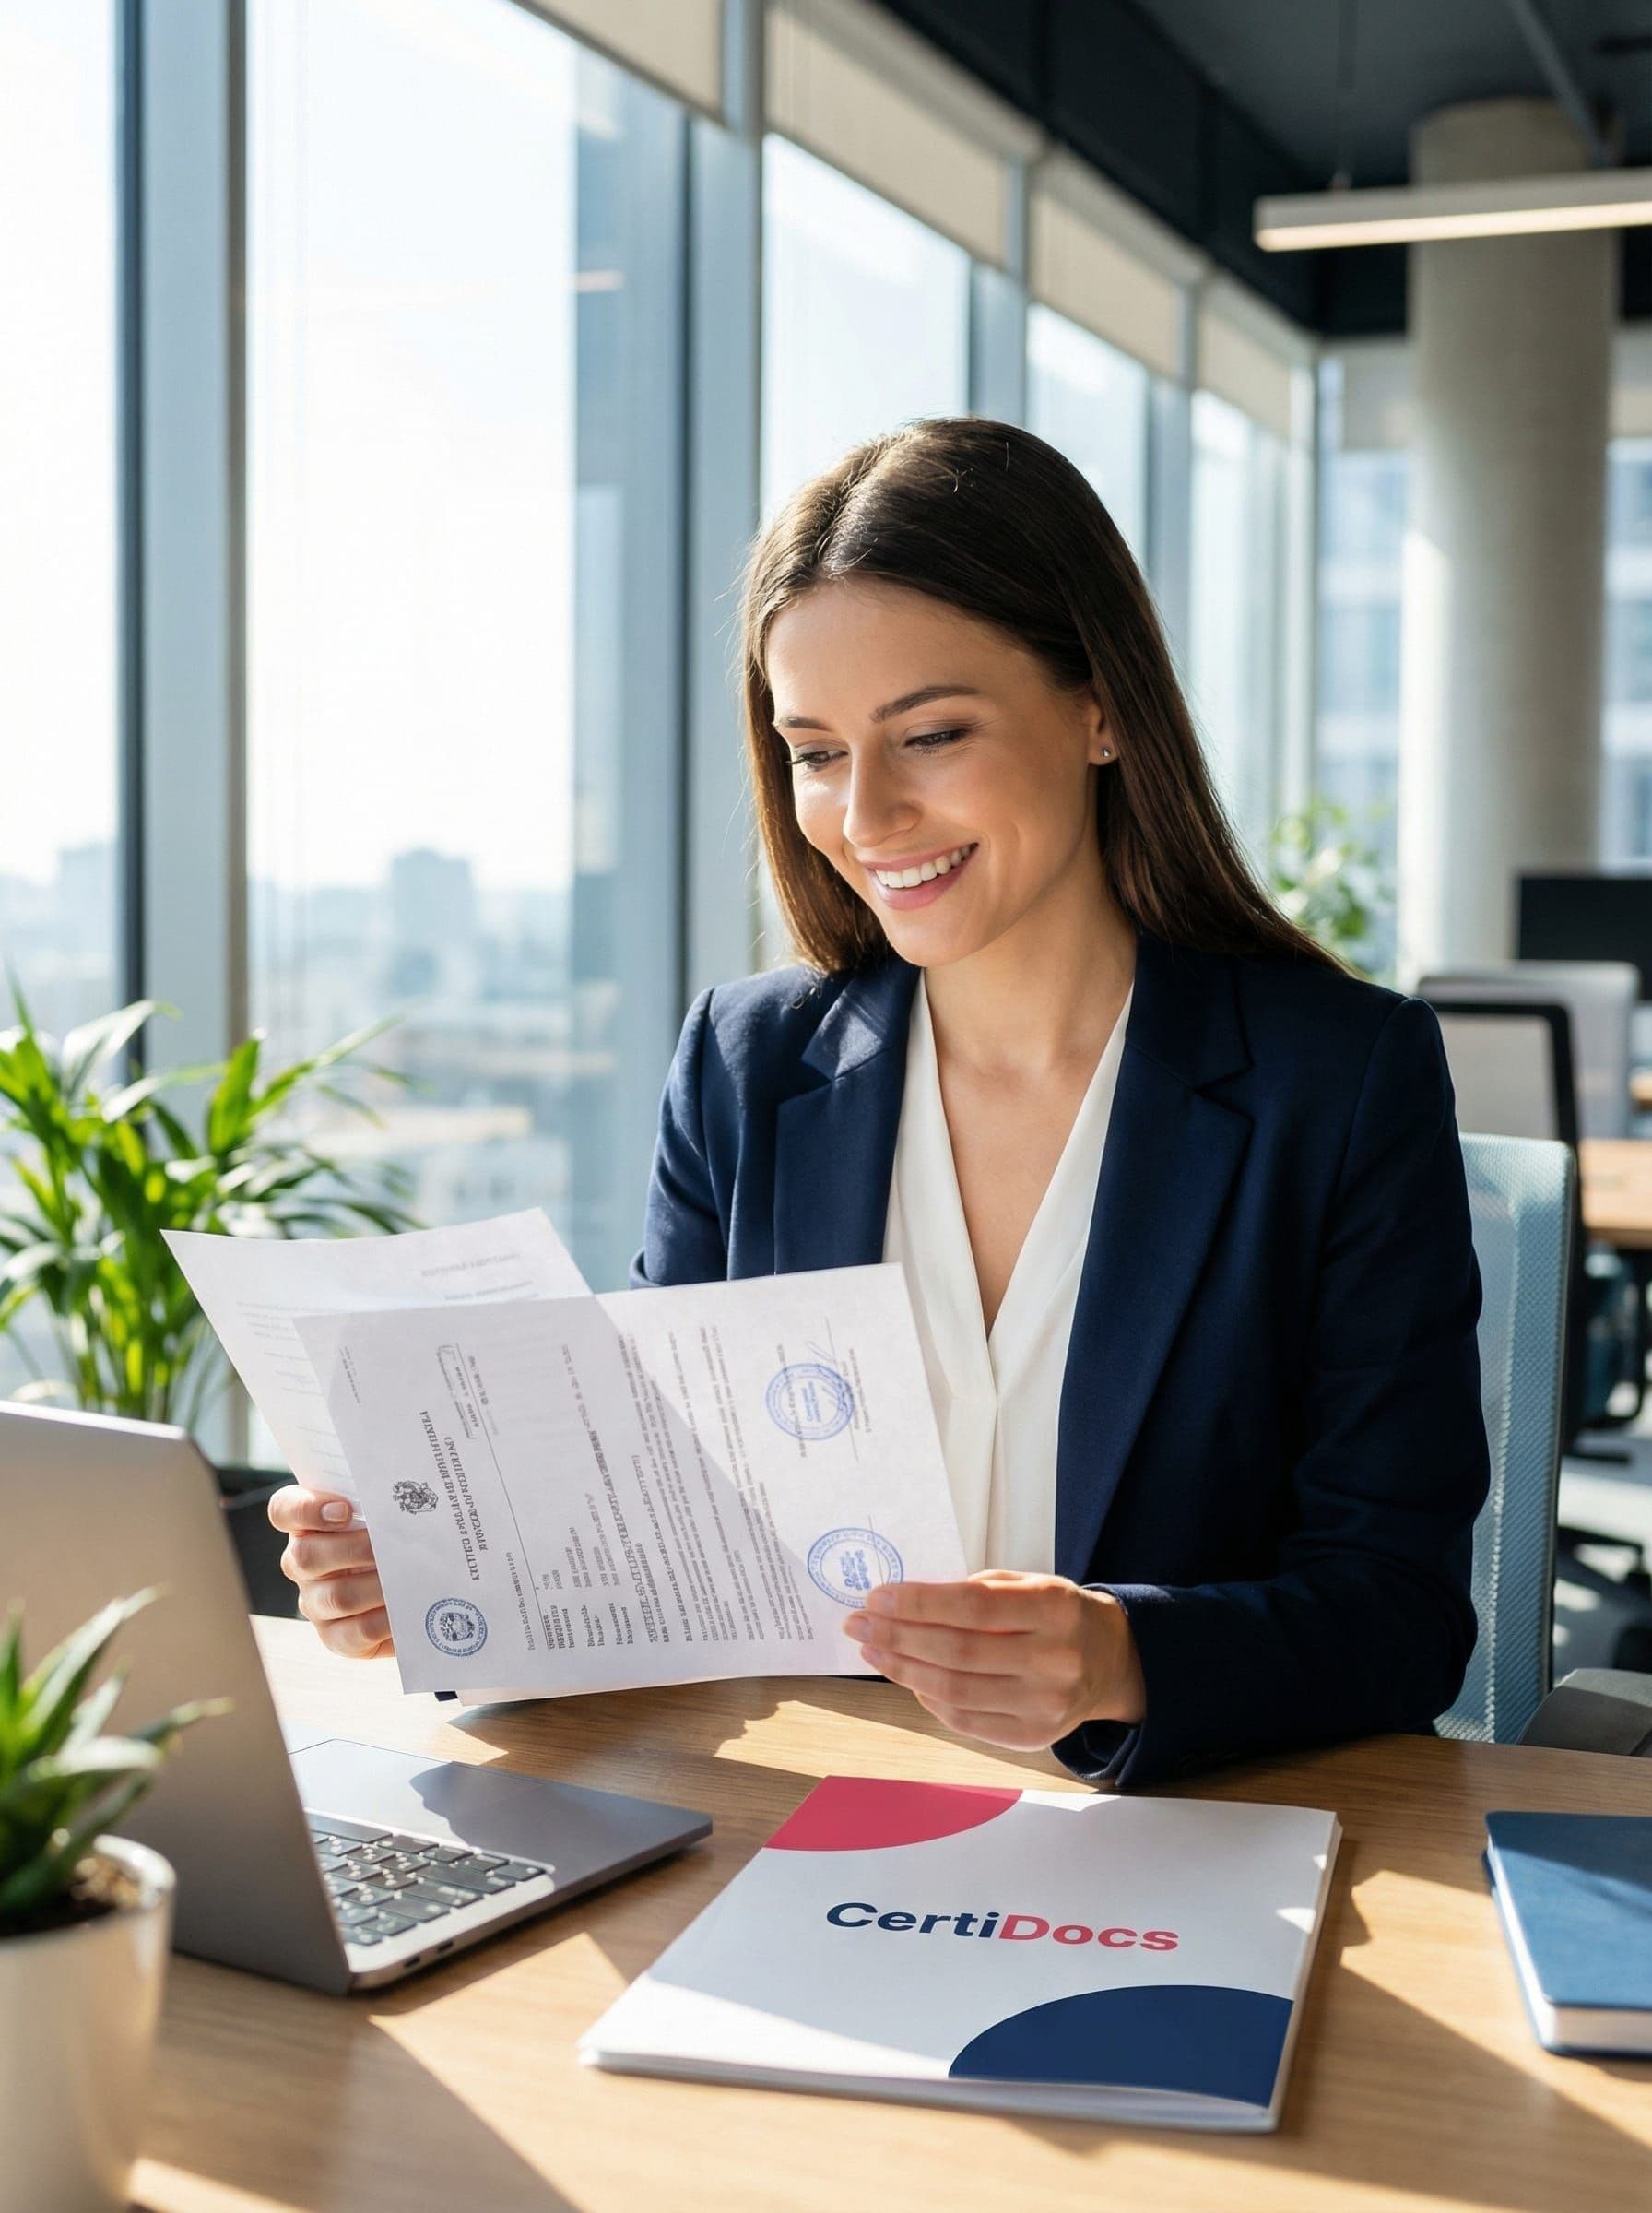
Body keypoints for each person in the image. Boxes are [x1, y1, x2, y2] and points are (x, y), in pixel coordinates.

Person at [270, 415, 1488, 1788]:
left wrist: (1119, 1656)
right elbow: (668, 1540)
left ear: (1099, 707)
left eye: (931, 734)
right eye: (817, 751)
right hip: (805, 1816)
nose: (866, 816)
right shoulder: (747, 1066)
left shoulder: (1338, 1078)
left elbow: (1402, 1613)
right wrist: (449, 1571)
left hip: (1184, 1841)